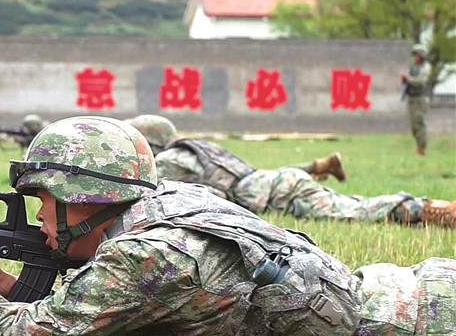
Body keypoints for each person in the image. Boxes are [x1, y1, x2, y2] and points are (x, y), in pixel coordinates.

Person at [0, 116, 455, 336]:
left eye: (45, 199)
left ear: (87, 199)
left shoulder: (144, 256)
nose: (39, 214)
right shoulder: (169, 200)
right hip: (408, 291)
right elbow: (91, 317)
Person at [126, 114, 455, 229]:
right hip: (280, 184)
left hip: (281, 193)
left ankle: (428, 210)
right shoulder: (196, 149)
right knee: (354, 205)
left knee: (356, 211)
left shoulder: (169, 162)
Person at [401, 44, 432, 156]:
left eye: (416, 55)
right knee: (414, 125)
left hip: (419, 98)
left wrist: (408, 78)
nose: (414, 57)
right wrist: (405, 80)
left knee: (419, 122)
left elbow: (420, 81)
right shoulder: (415, 67)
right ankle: (419, 146)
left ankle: (421, 148)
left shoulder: (425, 67)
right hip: (412, 98)